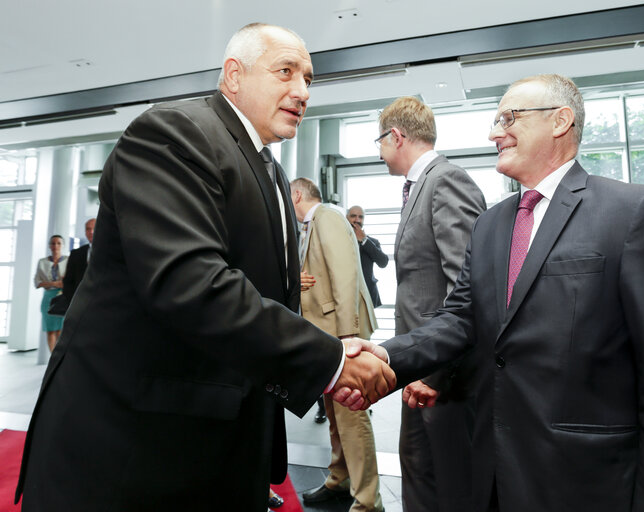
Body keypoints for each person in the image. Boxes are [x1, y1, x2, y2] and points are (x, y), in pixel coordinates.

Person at [15, 23, 394, 512]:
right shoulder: (174, 133)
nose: (301, 91)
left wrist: (329, 347)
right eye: (285, 71)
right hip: (132, 448)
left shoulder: (273, 172)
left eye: (308, 79)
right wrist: (330, 361)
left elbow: (263, 294)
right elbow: (189, 283)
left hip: (212, 446)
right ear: (233, 75)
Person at [342, 74, 644, 511]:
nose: (494, 132)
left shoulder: (633, 213)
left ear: (560, 121)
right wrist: (386, 356)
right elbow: (460, 318)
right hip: (494, 471)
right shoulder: (492, 224)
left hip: (587, 482)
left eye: (509, 117)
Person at [376, 96, 486, 512]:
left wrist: (437, 374)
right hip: (420, 367)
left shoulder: (446, 180)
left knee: (452, 482)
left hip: (444, 376)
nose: (381, 152)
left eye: (380, 141)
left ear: (396, 136)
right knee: (419, 469)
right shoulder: (420, 185)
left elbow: (468, 284)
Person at [291, 178, 384, 512]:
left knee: (351, 416)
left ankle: (368, 500)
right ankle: (339, 480)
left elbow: (344, 275)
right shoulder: (309, 225)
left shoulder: (327, 217)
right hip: (324, 334)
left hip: (340, 335)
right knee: (334, 413)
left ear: (297, 194)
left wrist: (349, 337)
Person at [347, 205, 388, 308]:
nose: (357, 220)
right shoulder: (338, 240)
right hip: (346, 295)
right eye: (353, 216)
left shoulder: (372, 242)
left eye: (361, 217)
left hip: (368, 295)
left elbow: (383, 262)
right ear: (346, 218)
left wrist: (364, 240)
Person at [33, 235, 68, 352]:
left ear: (63, 245)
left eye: (58, 243)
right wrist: (55, 283)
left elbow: (71, 280)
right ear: (49, 246)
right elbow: (37, 282)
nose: (55, 246)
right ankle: (52, 359)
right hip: (48, 298)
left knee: (61, 330)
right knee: (50, 329)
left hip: (63, 297)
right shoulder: (42, 262)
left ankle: (60, 360)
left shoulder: (69, 260)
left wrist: (61, 284)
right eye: (53, 243)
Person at [62, 218, 95, 304]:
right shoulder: (76, 254)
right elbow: (68, 281)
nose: (91, 231)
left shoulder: (111, 252)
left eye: (94, 228)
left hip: (104, 305)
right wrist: (73, 301)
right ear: (85, 232)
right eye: (88, 229)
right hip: (79, 303)